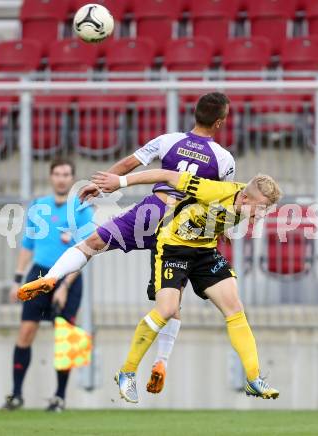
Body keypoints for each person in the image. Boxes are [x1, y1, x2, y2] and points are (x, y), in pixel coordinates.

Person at [18, 92, 236, 394]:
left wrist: (100, 183)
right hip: (183, 226)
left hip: (152, 211)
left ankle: (51, 277)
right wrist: (220, 231)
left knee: (91, 244)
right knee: (171, 301)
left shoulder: (168, 140)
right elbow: (221, 202)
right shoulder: (224, 158)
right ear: (220, 122)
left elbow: (130, 163)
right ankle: (161, 362)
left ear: (195, 114)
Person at [91, 168, 282, 403]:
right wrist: (120, 180)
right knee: (167, 310)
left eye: (266, 210)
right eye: (260, 208)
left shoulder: (244, 203)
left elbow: (220, 215)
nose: (262, 215)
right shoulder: (213, 190)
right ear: (244, 197)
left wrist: (222, 228)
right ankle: (127, 372)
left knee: (235, 308)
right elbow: (167, 175)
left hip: (204, 251)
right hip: (173, 247)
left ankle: (253, 379)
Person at [3, 159, 94, 412]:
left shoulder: (81, 208)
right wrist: (17, 279)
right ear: (51, 177)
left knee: (65, 338)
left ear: (72, 178)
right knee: (25, 332)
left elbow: (86, 250)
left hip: (68, 276)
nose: (62, 178)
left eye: (66, 174)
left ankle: (59, 397)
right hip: (39, 274)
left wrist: (64, 286)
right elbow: (27, 247)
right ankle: (16, 394)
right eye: (57, 174)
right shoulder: (39, 206)